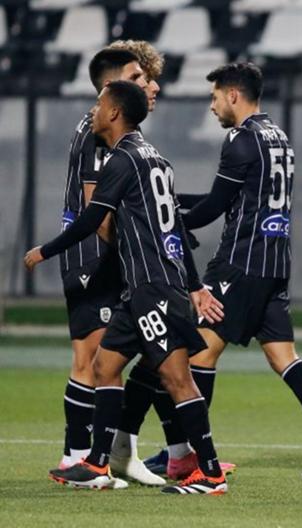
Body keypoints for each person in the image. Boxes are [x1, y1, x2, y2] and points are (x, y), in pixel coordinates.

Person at [138, 62, 302, 478]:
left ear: (233, 95)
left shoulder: (239, 140)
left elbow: (213, 208)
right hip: (274, 265)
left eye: (215, 96)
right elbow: (230, 195)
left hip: (240, 263)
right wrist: (173, 202)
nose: (212, 106)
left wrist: (167, 220)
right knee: (283, 357)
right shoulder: (278, 136)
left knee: (200, 352)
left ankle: (188, 451)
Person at [25, 80, 228, 495]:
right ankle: (98, 464)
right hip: (143, 288)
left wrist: (44, 251)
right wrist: (192, 284)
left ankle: (210, 474)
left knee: (177, 379)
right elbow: (175, 227)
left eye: (100, 104)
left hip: (153, 287)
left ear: (115, 113)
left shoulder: (122, 160)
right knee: (105, 366)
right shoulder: (156, 159)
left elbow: (90, 219)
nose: (94, 110)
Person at [54, 47, 146, 479]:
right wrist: (135, 253)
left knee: (103, 359)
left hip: (98, 256)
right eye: (136, 76)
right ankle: (77, 455)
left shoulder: (110, 130)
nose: (146, 83)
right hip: (91, 256)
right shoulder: (95, 132)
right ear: (111, 86)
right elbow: (98, 211)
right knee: (92, 359)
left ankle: (99, 455)